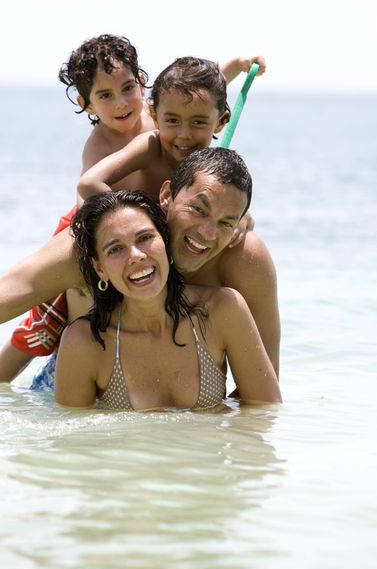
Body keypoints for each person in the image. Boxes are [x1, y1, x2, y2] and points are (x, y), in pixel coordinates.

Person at [0, 42, 264, 382]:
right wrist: (134, 229)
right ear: (157, 114)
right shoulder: (146, 141)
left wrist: (237, 66)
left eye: (127, 89)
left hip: (144, 233)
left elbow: (199, 88)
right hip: (97, 219)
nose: (184, 133)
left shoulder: (173, 120)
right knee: (43, 317)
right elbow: (89, 189)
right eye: (106, 95)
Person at [0, 148, 280, 384]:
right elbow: (13, 291)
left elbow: (262, 399)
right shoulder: (103, 245)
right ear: (166, 195)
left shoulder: (243, 260)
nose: (207, 233)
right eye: (197, 209)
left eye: (226, 222)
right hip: (75, 406)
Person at [54, 189, 281, 410]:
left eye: (145, 238)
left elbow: (265, 411)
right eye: (115, 249)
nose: (136, 255)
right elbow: (75, 440)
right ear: (100, 269)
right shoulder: (83, 342)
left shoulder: (222, 310)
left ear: (165, 240)